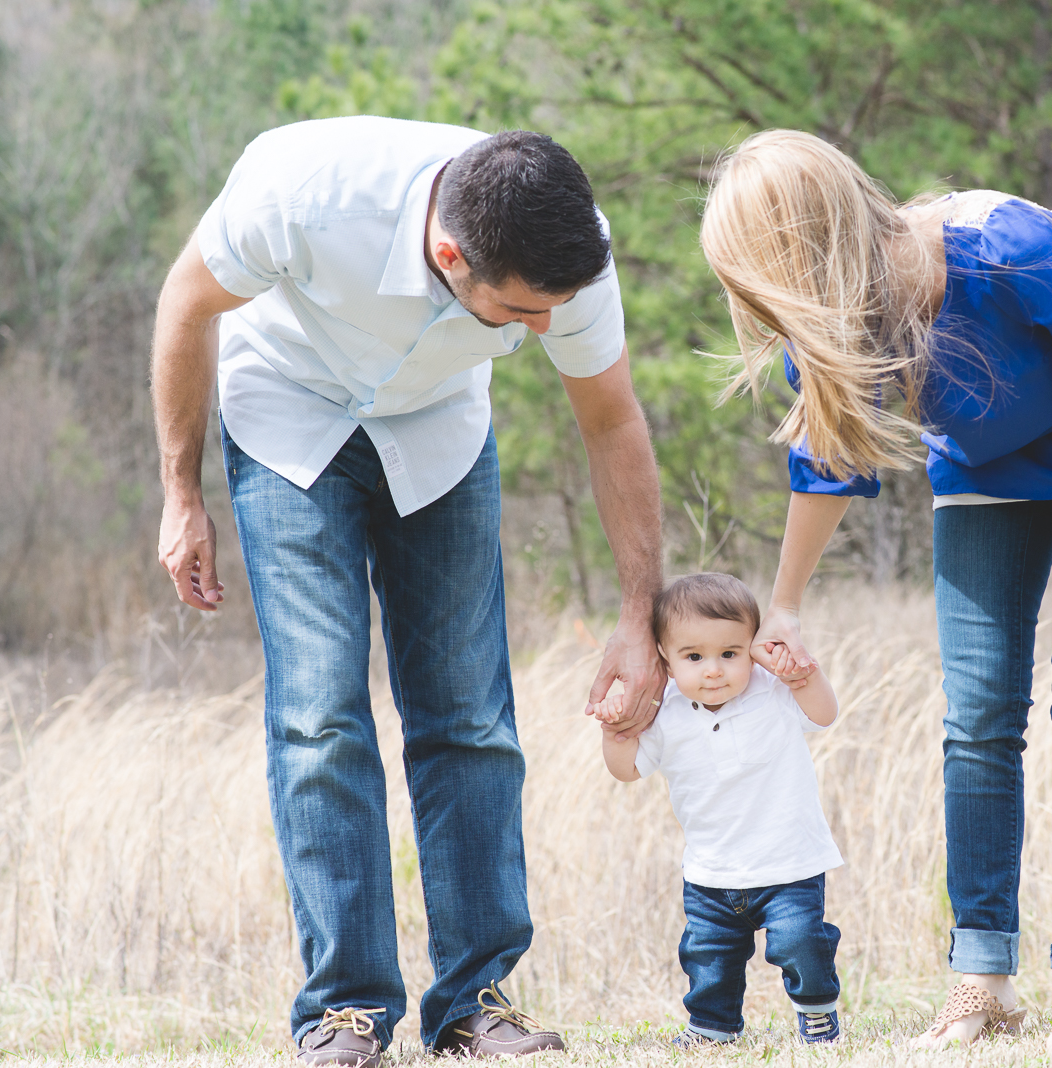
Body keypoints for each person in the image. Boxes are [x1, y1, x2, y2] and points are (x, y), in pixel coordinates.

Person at [150, 116, 666, 1065]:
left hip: (437, 431)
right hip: (289, 414)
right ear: (448, 252)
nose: (545, 331)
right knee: (319, 713)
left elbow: (611, 421)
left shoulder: (567, 253)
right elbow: (186, 305)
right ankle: (344, 1011)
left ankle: (475, 1001)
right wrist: (182, 493)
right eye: (518, 314)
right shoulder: (300, 192)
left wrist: (642, 617)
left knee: (469, 714)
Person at [698, 130, 1052, 1056]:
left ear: (817, 241)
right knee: (977, 717)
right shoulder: (831, 322)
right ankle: (982, 980)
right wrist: (785, 607)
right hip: (983, 471)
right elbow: (828, 466)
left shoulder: (1016, 252)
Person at [592, 573, 845, 1047]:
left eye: (730, 654)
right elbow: (628, 770)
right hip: (710, 871)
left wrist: (803, 675)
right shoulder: (661, 710)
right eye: (694, 657)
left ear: (751, 646)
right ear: (664, 657)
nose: (714, 670)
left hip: (788, 863)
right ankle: (713, 1027)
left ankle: (816, 1011)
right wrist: (615, 735)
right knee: (708, 957)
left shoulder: (772, 689)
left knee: (800, 943)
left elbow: (823, 714)